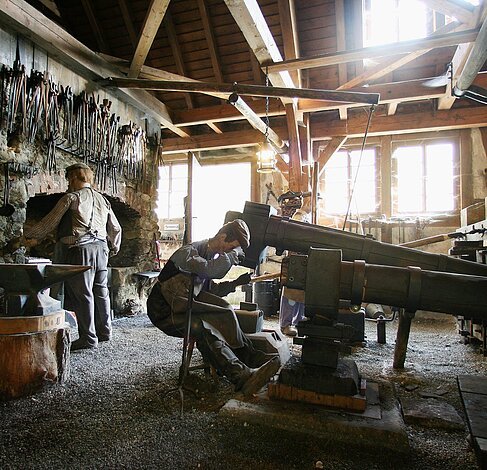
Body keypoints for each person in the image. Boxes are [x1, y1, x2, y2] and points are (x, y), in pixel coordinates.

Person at [147, 219, 281, 397]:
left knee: (225, 309)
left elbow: (213, 291)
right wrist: (233, 256)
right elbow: (211, 271)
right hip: (164, 311)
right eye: (230, 247)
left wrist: (236, 283)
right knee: (203, 328)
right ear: (222, 236)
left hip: (183, 304)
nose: (228, 252)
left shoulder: (209, 256)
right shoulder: (188, 253)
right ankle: (240, 375)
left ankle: (250, 357)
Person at [23, 162, 122, 351]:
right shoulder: (103, 200)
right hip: (101, 250)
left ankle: (88, 338)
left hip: (80, 250)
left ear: (76, 177)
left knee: (83, 294)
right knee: (101, 291)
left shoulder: (71, 198)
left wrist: (26, 238)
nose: (68, 182)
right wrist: (113, 247)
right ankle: (105, 331)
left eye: (69, 178)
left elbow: (48, 223)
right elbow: (116, 228)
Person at [279, 204, 311, 337]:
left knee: (301, 297)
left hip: (304, 262)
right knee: (290, 296)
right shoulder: (297, 218)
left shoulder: (306, 219)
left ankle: (299, 322)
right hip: (294, 263)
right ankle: (285, 325)